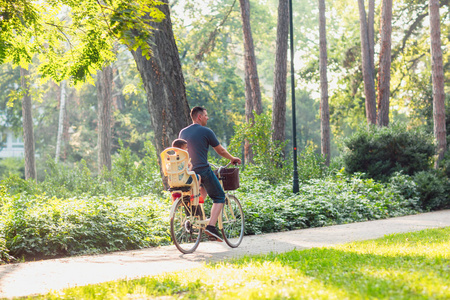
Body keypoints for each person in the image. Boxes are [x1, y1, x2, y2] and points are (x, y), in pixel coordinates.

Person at [179, 106, 241, 242]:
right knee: (219, 196)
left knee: (202, 190)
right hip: (202, 170)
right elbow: (221, 151)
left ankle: (194, 218)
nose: (207, 118)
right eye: (206, 115)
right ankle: (211, 227)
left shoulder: (182, 132)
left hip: (188, 173)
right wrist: (232, 159)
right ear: (199, 117)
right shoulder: (206, 131)